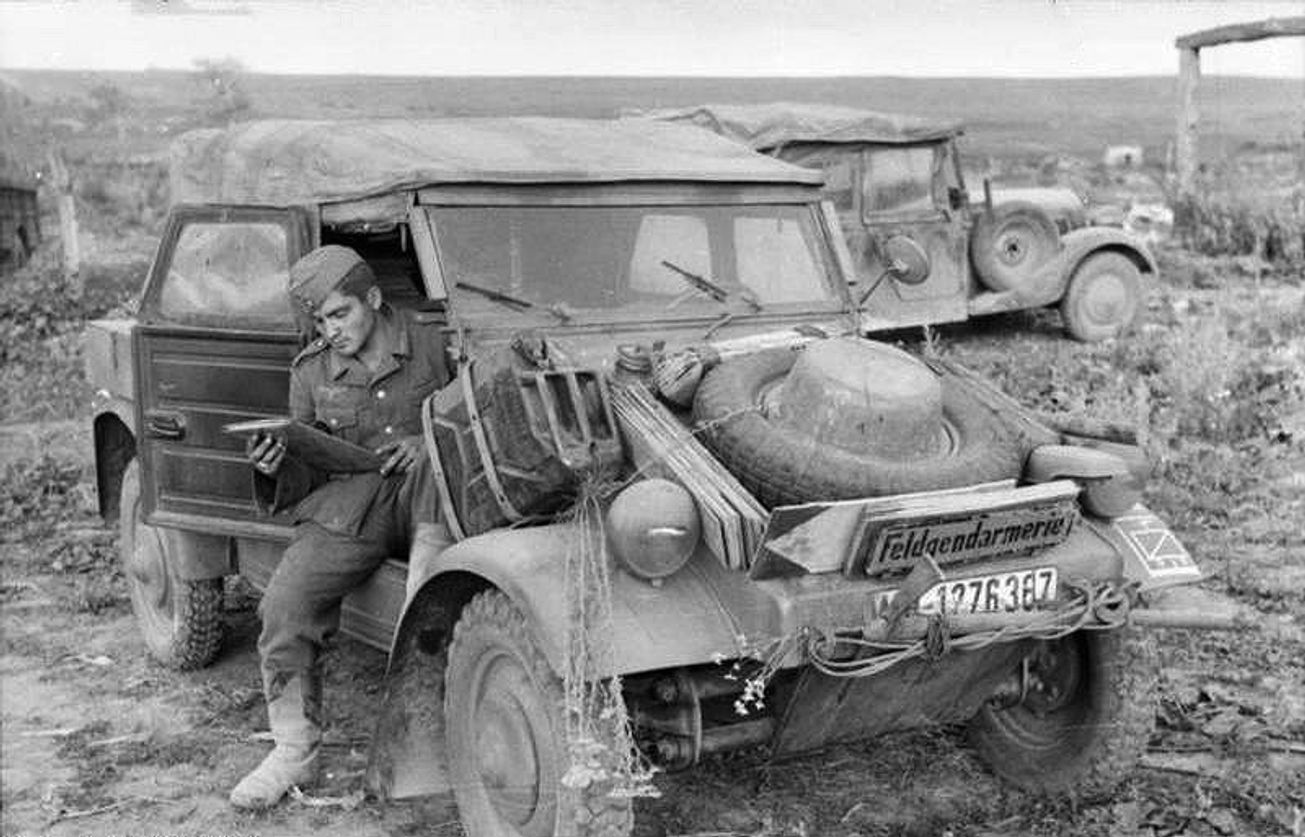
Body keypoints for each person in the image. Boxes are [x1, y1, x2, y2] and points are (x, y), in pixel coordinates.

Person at [230, 245, 451, 809]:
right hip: (352, 503)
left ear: (373, 300)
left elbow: (473, 411)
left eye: (340, 315)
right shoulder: (310, 371)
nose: (330, 331)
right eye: (321, 321)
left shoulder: (434, 341)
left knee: (429, 581)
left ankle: (429, 707)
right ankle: (293, 749)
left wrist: (428, 440)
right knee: (284, 604)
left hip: (432, 494)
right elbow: (306, 460)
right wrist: (276, 463)